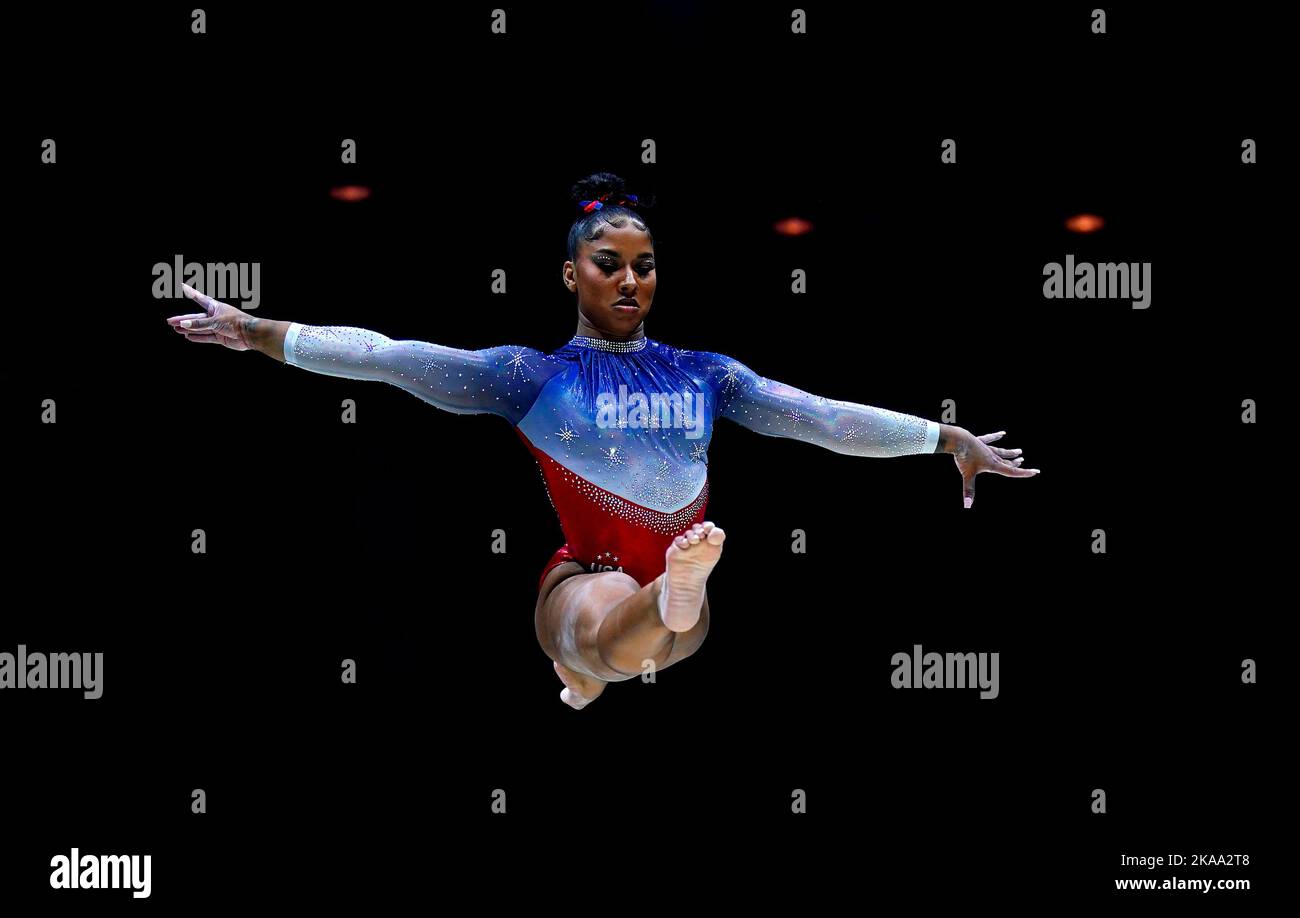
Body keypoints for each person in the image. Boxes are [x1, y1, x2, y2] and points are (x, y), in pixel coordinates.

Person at [166, 172, 1039, 709]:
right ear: (569, 273)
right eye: (608, 262)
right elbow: (394, 359)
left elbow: (819, 416)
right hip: (594, 572)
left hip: (641, 585)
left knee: (624, 640)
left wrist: (940, 436)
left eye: (645, 264)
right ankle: (646, 620)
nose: (630, 278)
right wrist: (260, 332)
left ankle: (660, 611)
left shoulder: (707, 375)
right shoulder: (526, 377)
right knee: (600, 626)